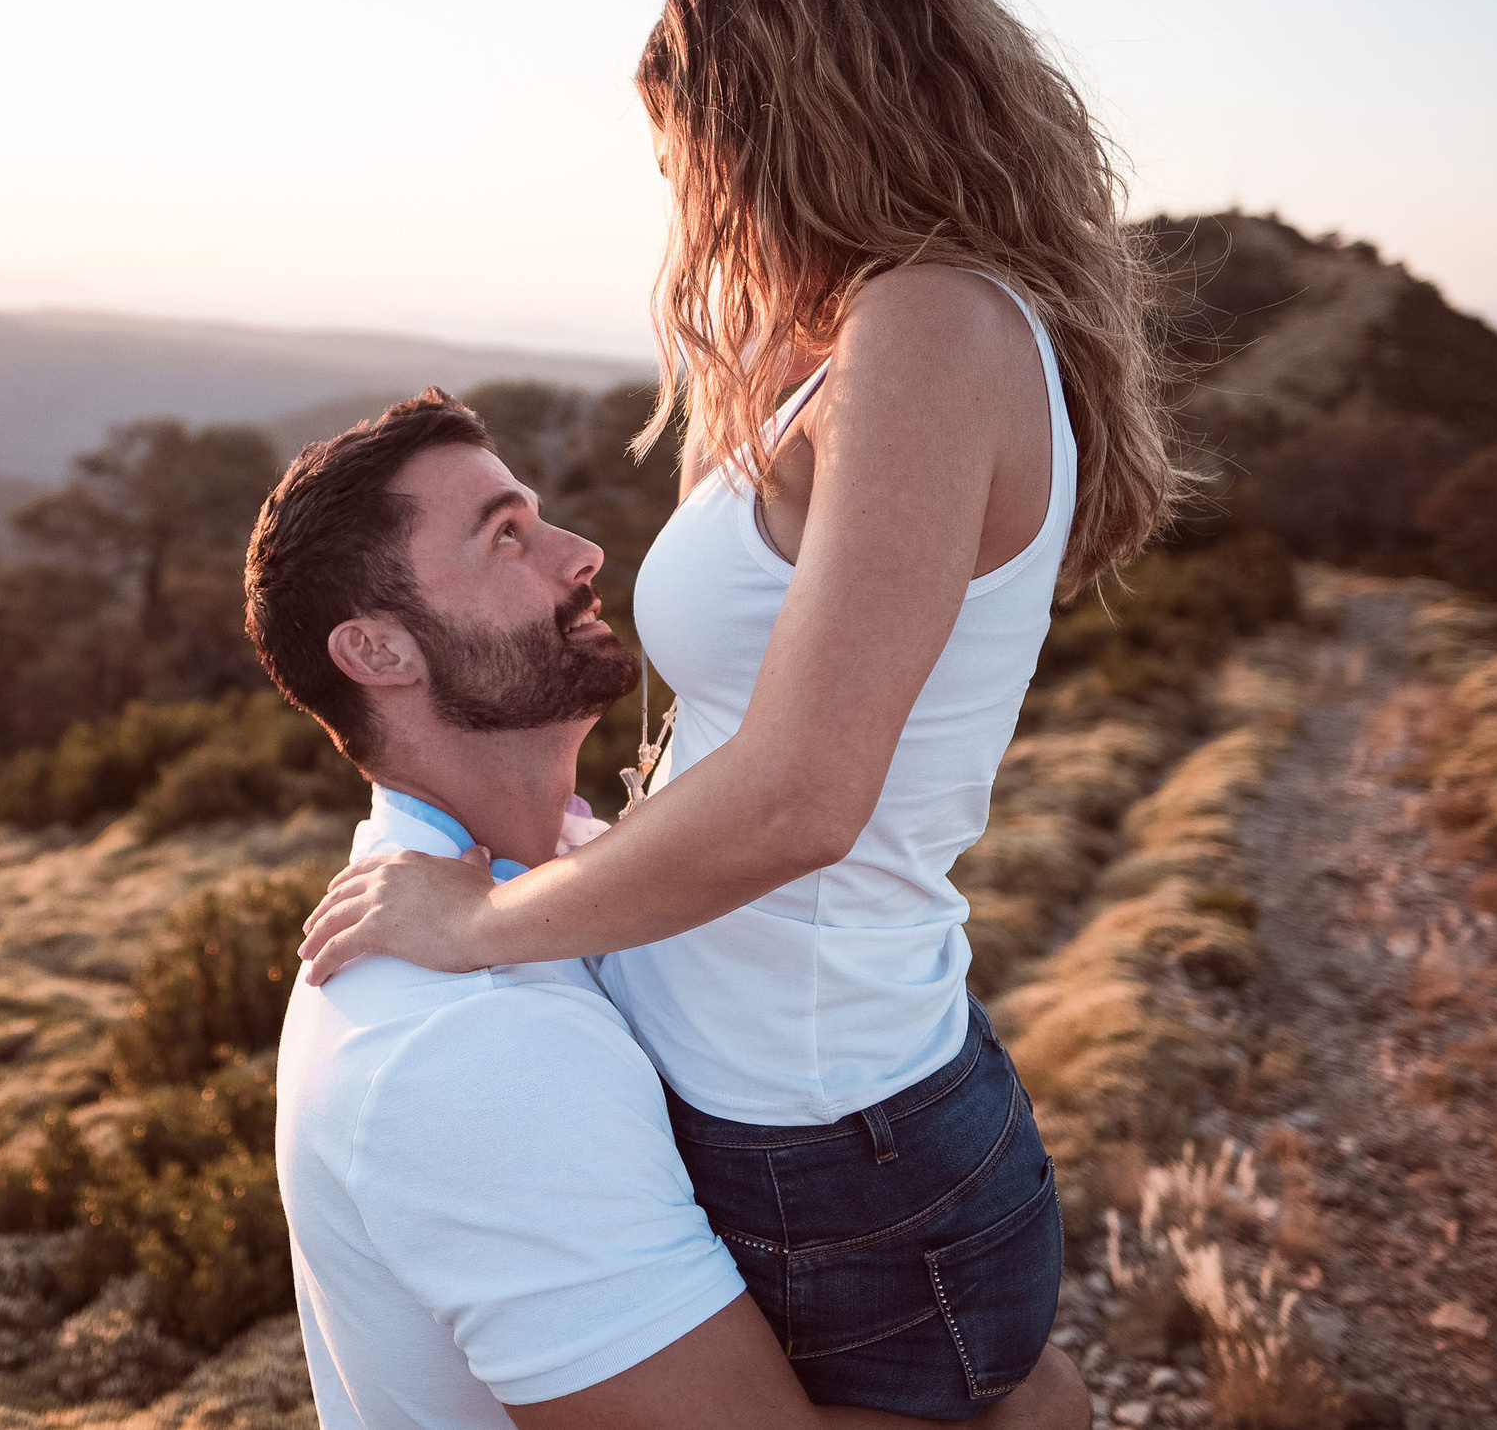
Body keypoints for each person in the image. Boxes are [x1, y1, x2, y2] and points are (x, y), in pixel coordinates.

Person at [296, 0, 1186, 1418]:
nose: (688, 190)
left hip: (828, 1140)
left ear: (782, 114)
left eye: (691, 146)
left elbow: (801, 794)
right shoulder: (857, 339)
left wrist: (482, 919)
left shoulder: (933, 328)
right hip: (810, 1101)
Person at [249, 391, 1088, 1430]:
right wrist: (1031, 1411)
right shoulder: (467, 1046)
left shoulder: (560, 869)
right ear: (378, 652)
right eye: (505, 536)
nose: (583, 552)